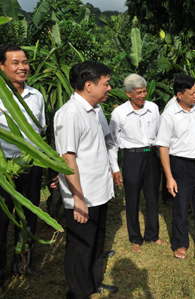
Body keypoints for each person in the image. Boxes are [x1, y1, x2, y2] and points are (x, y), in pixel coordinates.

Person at [54, 60, 118, 298]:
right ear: (89, 85)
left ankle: (93, 283)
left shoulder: (95, 111)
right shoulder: (70, 113)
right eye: (106, 83)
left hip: (99, 190)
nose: (109, 88)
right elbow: (67, 159)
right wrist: (78, 198)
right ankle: (78, 292)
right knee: (81, 247)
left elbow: (100, 145)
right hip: (82, 195)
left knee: (96, 243)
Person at [156, 74, 195, 259]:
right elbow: (163, 146)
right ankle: (180, 243)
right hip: (181, 166)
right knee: (181, 205)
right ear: (179, 94)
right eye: (192, 93)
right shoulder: (169, 115)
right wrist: (168, 176)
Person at [0, 44, 46, 282]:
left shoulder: (36, 96)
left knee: (29, 215)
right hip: (3, 169)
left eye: (25, 62)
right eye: (15, 63)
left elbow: (39, 131)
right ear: (2, 66)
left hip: (31, 165)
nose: (22, 67)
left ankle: (24, 265)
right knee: (1, 219)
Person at [107, 73, 167, 253]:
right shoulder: (119, 113)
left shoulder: (154, 108)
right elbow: (112, 143)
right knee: (132, 199)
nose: (142, 95)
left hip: (151, 156)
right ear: (128, 93)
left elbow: (159, 135)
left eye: (144, 91)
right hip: (132, 158)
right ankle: (135, 237)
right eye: (138, 92)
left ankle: (152, 235)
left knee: (152, 197)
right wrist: (115, 168)